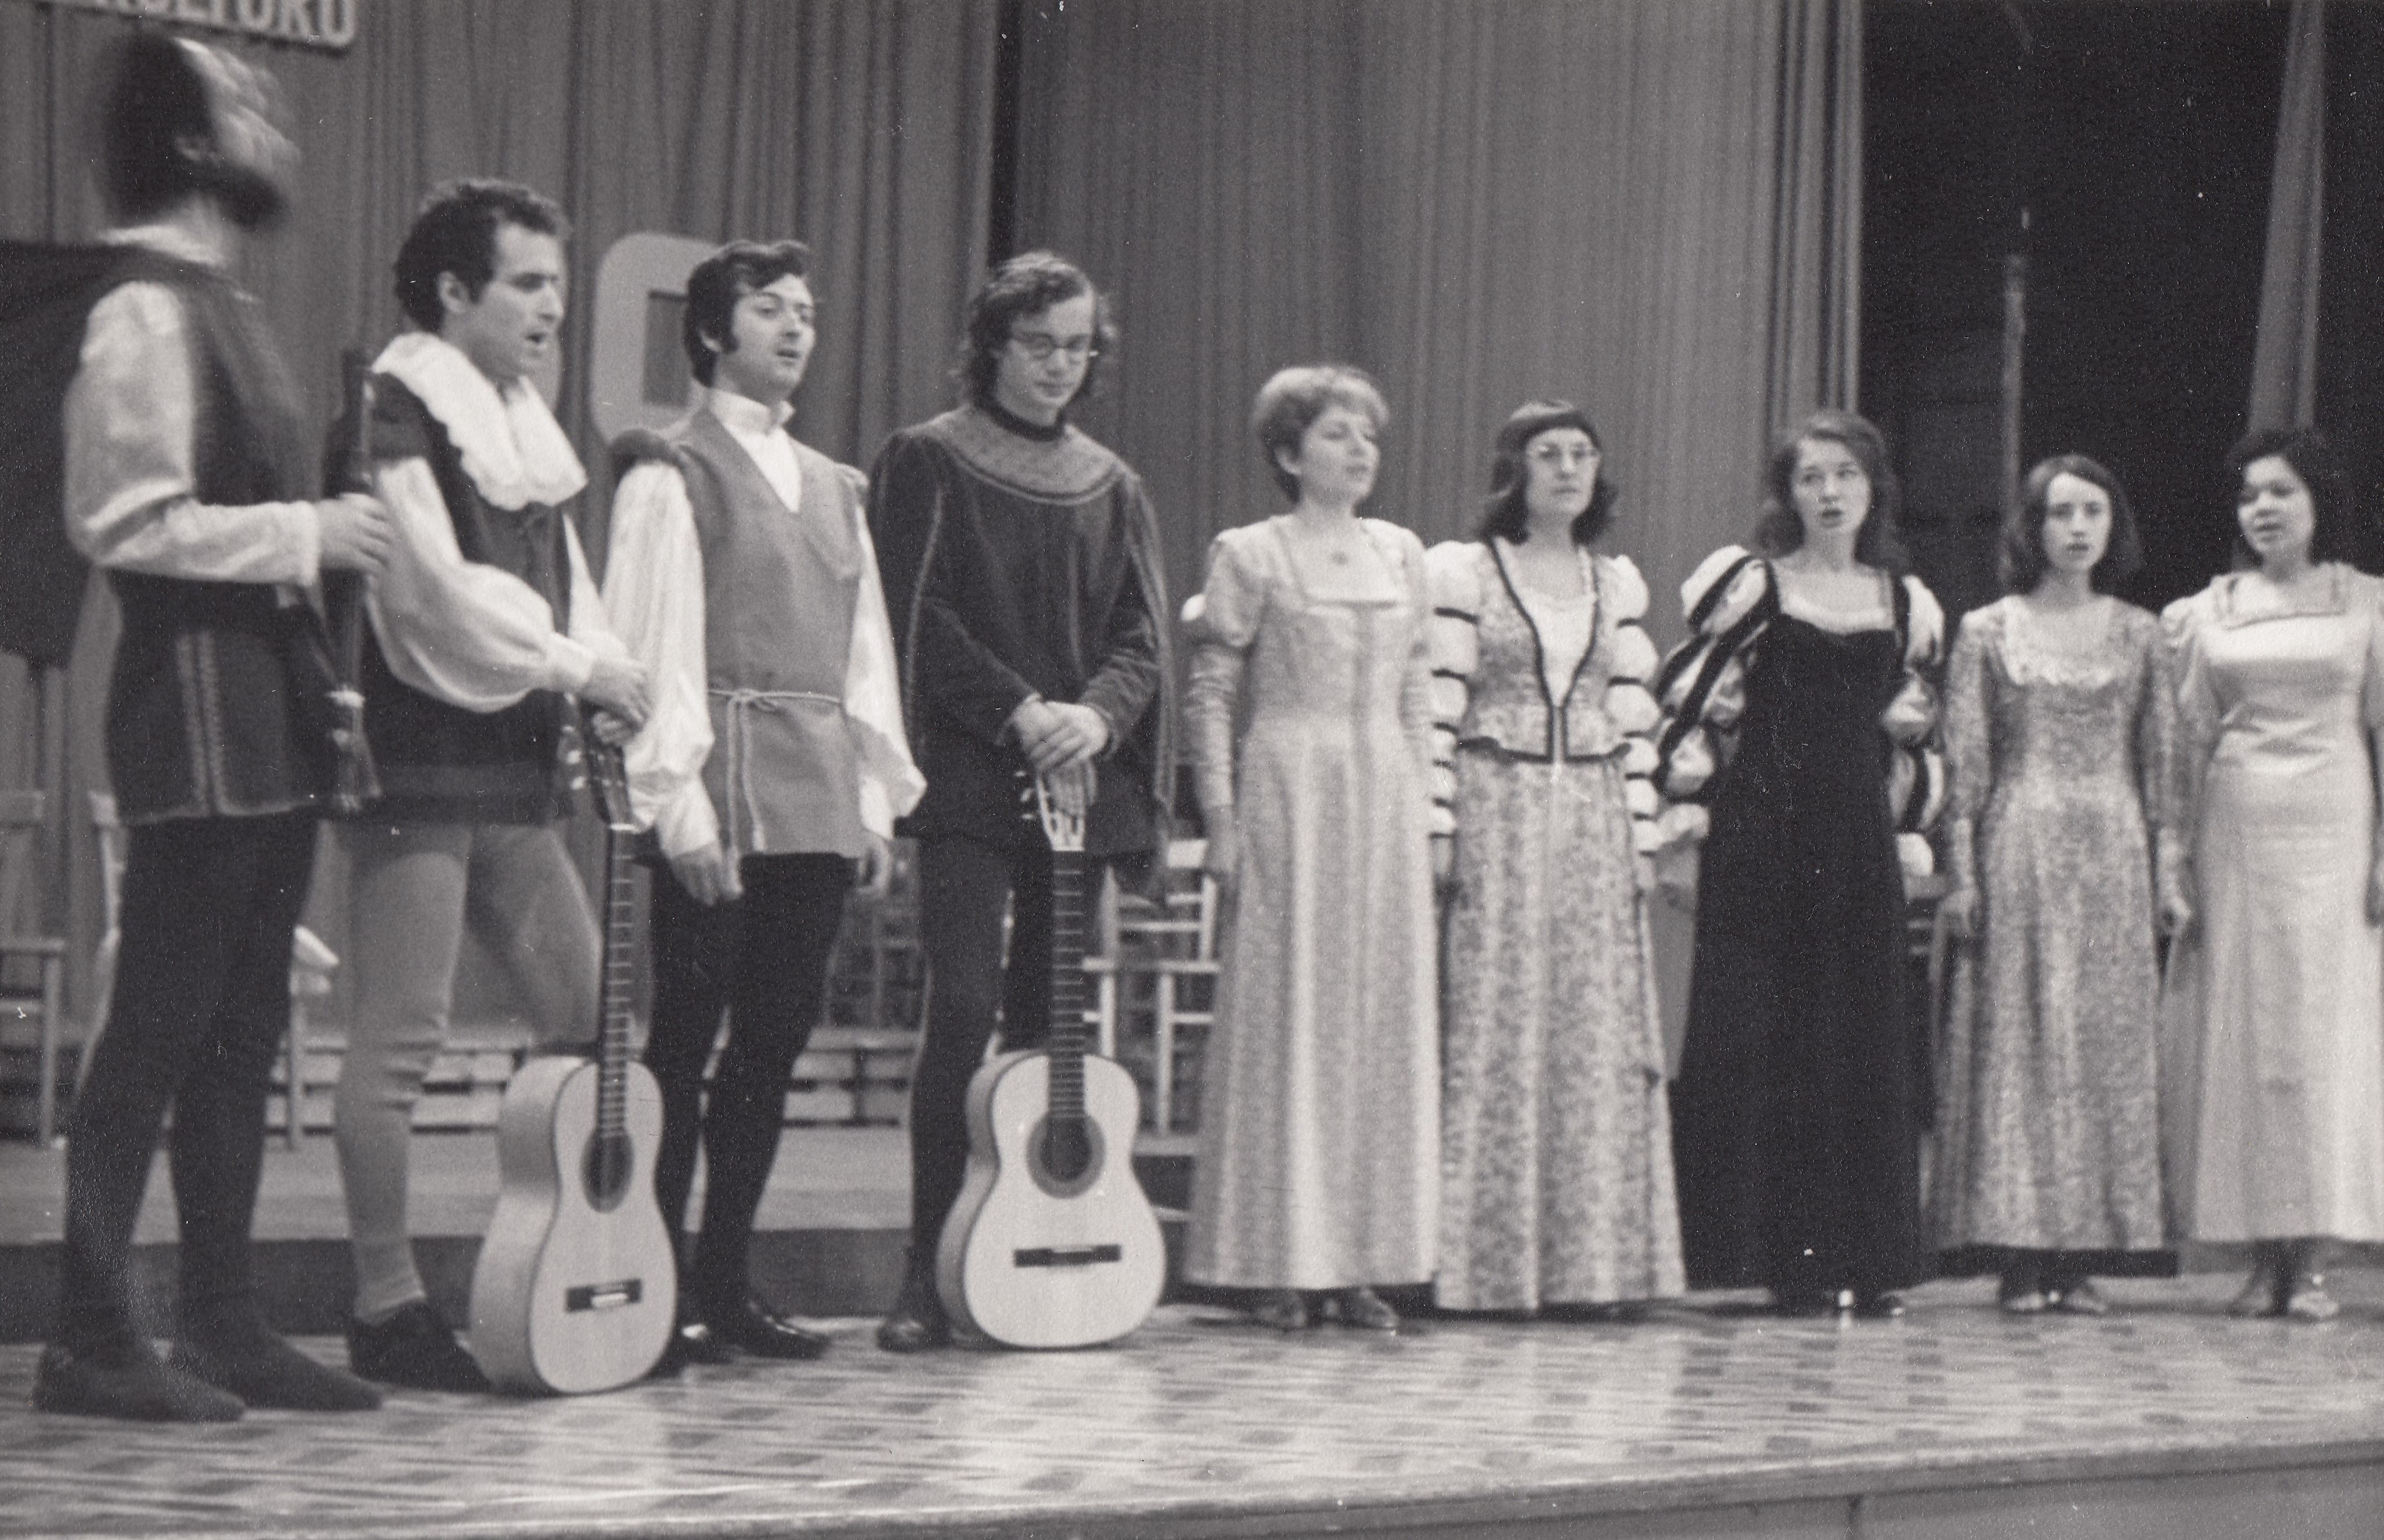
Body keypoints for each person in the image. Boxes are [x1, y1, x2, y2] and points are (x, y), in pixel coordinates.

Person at [33, 34, 392, 1420]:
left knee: (241, 1029)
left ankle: (223, 1322)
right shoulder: (142, 304)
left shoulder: (211, 296)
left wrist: (316, 542)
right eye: (245, 104)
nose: (271, 121)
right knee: (159, 1029)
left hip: (265, 708)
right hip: (190, 709)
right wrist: (310, 531)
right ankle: (90, 1337)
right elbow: (121, 520)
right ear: (189, 142)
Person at [327, 179, 650, 1391]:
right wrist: (576, 666)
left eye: (557, 284)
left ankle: (562, 1262)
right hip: (417, 755)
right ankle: (384, 1302)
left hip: (513, 760)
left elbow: (567, 582)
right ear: (455, 290)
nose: (551, 307)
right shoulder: (397, 404)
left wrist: (606, 670)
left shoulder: (520, 418)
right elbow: (430, 598)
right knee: (400, 1038)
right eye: (527, 283)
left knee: (592, 1017)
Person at [603, 240, 922, 1369]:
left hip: (814, 789)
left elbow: (864, 647)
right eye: (769, 309)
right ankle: (649, 1287)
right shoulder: (670, 471)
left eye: (806, 311)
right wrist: (679, 810)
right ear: (710, 332)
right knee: (684, 1044)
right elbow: (652, 644)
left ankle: (723, 1281)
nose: (794, 328)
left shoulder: (837, 484)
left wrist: (874, 799)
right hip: (720, 787)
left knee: (772, 1049)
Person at [867, 251, 1171, 1351]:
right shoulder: (928, 457)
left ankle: (1025, 1253)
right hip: (971, 776)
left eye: (1078, 346)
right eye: (1039, 343)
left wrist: (1094, 717)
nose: (1059, 364)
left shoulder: (1112, 483)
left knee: (1052, 1026)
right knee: (962, 1007)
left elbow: (1142, 635)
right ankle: (924, 1269)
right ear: (992, 344)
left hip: (1077, 777)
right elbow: (914, 612)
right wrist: (1019, 709)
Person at [1654, 409, 1943, 1319]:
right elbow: (1697, 713)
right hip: (1763, 835)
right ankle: (1781, 1260)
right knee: (1767, 1036)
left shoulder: (1904, 603)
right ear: (1788, 492)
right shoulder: (1753, 589)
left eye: (1845, 475)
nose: (1829, 492)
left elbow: (1912, 735)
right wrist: (1684, 831)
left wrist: (1908, 834)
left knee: (1859, 1039)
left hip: (1854, 839)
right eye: (1811, 476)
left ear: (1873, 489)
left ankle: (1866, 1256)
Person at [1181, 365, 1439, 1333]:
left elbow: (1417, 690)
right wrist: (1219, 817)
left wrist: (1424, 810)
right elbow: (1212, 694)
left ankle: (1364, 1260)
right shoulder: (1252, 553)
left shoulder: (1403, 553)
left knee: (1376, 1022)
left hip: (1385, 793)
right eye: (1337, 433)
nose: (1359, 449)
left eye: (1367, 434)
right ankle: (1278, 1259)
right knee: (1290, 1013)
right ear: (1290, 454)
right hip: (1290, 784)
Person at [1424, 401, 1683, 1315]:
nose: (1569, 469)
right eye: (1549, 453)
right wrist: (1440, 824)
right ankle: (1485, 1268)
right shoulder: (1466, 573)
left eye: (1582, 453)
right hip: (1497, 807)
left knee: (1589, 1033)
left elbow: (1634, 724)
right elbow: (1438, 710)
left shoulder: (1614, 583)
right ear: (1516, 470)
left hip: (1592, 819)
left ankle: (1588, 1268)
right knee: (1495, 1022)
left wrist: (1641, 838)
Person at [1929, 455, 2173, 1314]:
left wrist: (2167, 873)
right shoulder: (1988, 630)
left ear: (2114, 525)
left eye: (2092, 512)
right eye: (2060, 513)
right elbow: (1967, 760)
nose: (2076, 528)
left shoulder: (2143, 633)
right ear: (2031, 528)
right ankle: (2020, 1253)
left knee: (2100, 1047)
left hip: (2112, 850)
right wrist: (1962, 875)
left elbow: (2161, 762)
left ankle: (2081, 1251)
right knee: (2020, 1043)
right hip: (2020, 844)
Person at [2162, 427, 2384, 1322]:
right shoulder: (2208, 611)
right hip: (2237, 829)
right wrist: (2174, 855)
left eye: (2281, 491)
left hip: (2336, 825)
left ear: (2319, 500)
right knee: (2246, 1038)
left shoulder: (2367, 604)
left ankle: (2317, 1257)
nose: (2263, 507)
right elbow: (2187, 742)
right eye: (2250, 494)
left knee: (2325, 1038)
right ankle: (2259, 1255)